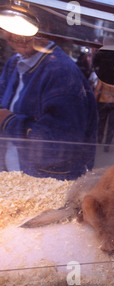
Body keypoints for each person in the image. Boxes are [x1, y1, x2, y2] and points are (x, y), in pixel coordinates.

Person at [0, 31, 97, 180]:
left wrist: (9, 122)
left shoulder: (62, 74)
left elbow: (59, 147)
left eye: (25, 29)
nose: (18, 35)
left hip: (44, 186)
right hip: (14, 179)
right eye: (9, 28)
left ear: (46, 29)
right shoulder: (14, 63)